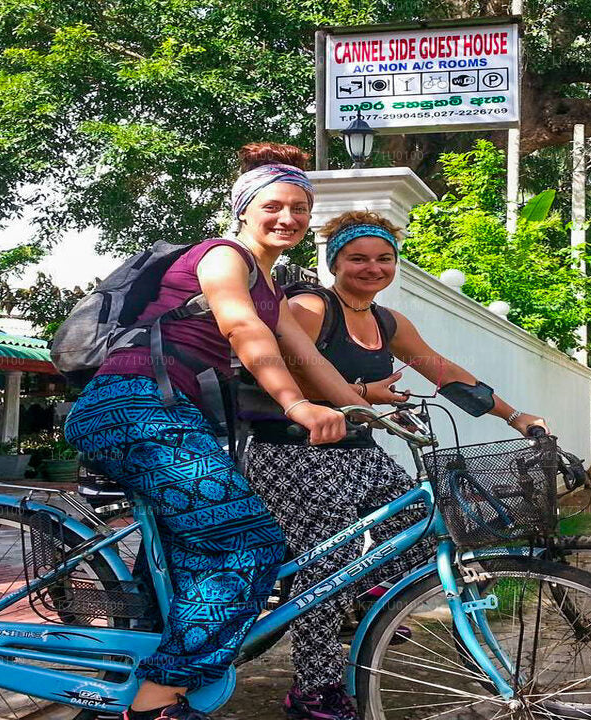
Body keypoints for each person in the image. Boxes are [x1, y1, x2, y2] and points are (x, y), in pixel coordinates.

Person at [64, 143, 370, 720]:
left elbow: (308, 358)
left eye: (300, 209)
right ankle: (157, 702)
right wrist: (297, 407)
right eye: (275, 206)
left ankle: (126, 677)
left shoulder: (270, 286)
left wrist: (364, 411)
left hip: (171, 416)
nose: (288, 218)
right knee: (249, 542)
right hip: (132, 407)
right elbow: (241, 328)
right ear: (244, 209)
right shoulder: (222, 257)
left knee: (191, 560)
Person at [244, 210, 548, 720]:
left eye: (383, 258)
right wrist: (362, 394)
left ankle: (367, 598)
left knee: (430, 534)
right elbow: (277, 374)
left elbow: (442, 370)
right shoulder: (312, 307)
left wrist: (514, 415)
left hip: (356, 450)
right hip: (291, 450)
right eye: (357, 258)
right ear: (334, 260)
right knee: (326, 571)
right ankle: (314, 689)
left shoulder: (388, 321)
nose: (372, 268)